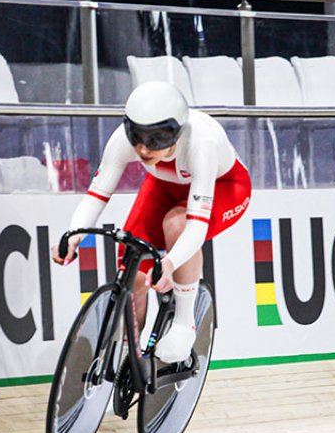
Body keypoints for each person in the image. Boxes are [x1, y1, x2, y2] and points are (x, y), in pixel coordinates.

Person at [51, 80, 252, 363]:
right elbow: (96, 195)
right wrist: (72, 237)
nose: (144, 149)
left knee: (177, 225)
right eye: (137, 136)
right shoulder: (122, 139)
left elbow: (195, 227)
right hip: (163, 187)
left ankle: (184, 323)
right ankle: (124, 359)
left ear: (178, 132)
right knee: (133, 270)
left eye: (157, 138)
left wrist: (169, 264)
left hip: (224, 188)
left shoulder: (201, 142)